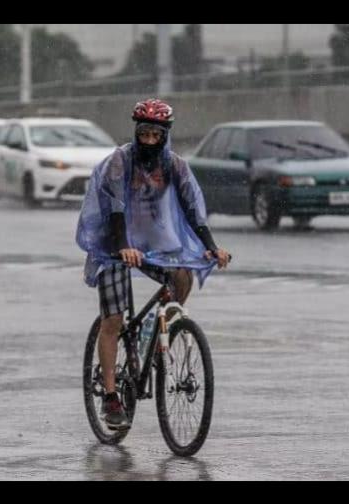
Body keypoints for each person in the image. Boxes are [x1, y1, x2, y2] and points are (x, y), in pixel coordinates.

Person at [76, 98, 231, 430]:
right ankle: (112, 397)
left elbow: (193, 210)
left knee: (183, 275)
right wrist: (122, 247)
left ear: (165, 135)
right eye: (143, 134)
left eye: (155, 135)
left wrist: (212, 248)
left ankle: (160, 330)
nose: (148, 141)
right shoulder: (120, 162)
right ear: (136, 132)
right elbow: (115, 210)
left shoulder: (174, 166)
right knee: (113, 319)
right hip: (113, 244)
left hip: (151, 246)